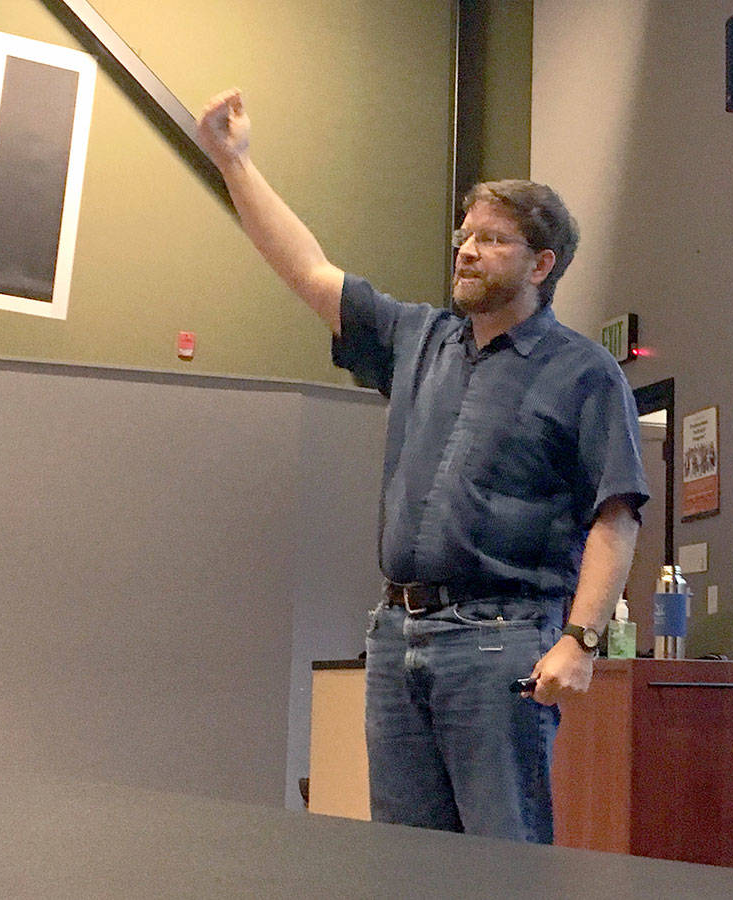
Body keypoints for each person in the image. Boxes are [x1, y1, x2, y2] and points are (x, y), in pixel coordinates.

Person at [196, 89, 648, 844]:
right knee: (405, 864)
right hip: (397, 635)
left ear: (542, 262)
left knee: (501, 862)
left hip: (501, 642)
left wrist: (582, 639)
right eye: (463, 235)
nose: (466, 251)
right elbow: (309, 271)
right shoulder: (420, 338)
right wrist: (234, 162)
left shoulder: (584, 374)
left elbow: (616, 515)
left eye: (491, 240)